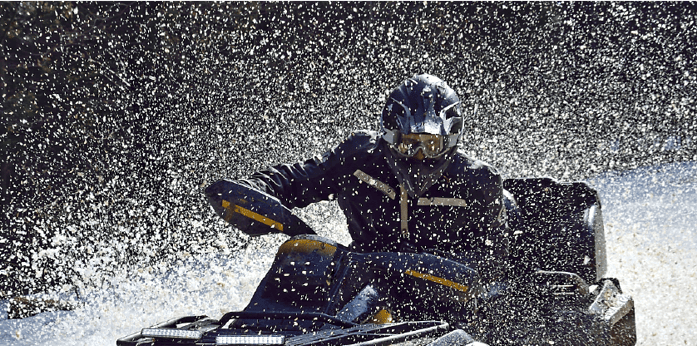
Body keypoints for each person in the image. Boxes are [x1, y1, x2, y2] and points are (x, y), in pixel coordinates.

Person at [205, 74, 512, 277]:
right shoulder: (357, 157)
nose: (419, 157)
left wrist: (423, 267)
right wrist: (253, 189)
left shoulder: (480, 182)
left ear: (451, 141)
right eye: (408, 145)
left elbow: (496, 263)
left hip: (446, 301)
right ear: (390, 137)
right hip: (363, 285)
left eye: (431, 146)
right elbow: (295, 180)